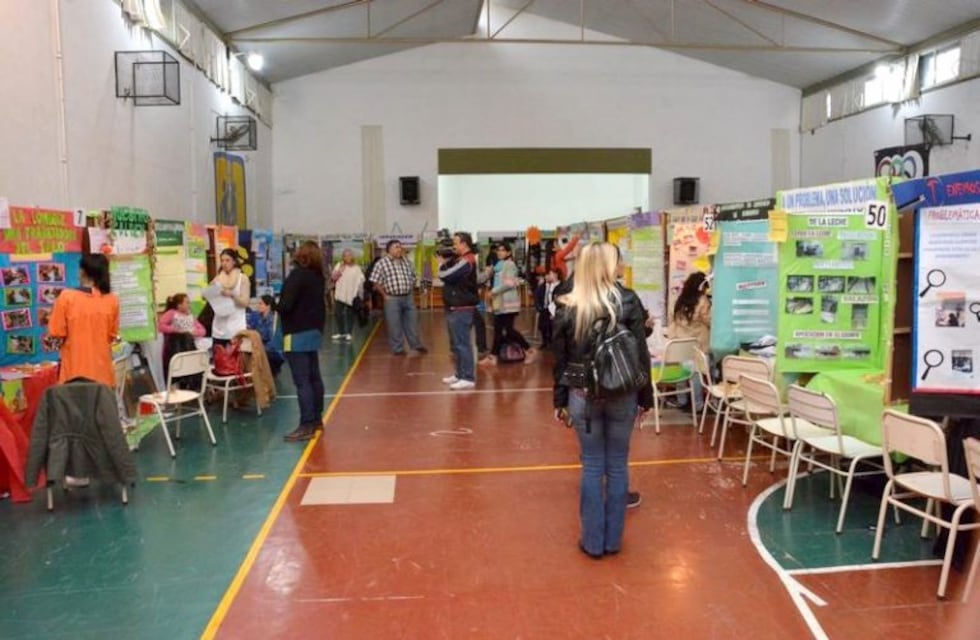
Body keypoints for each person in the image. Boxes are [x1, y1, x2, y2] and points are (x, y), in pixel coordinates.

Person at [551, 242, 653, 558]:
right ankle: (613, 541)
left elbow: (560, 358)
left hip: (582, 393)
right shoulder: (628, 300)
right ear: (611, 266)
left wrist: (559, 400)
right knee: (618, 464)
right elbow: (640, 354)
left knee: (592, 465)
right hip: (622, 392)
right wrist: (646, 397)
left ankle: (593, 542)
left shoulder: (568, 303)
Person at [279, 241, 327, 442]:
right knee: (314, 377)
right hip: (314, 331)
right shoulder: (318, 277)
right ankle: (316, 419)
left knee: (302, 381)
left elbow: (286, 305)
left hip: (296, 333)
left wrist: (273, 304)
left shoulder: (297, 275)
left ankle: (306, 424)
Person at [47, 254, 120, 388]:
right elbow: (112, 335)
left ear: (82, 271)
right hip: (103, 374)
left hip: (74, 374)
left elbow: (56, 332)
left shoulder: (67, 297)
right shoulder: (112, 300)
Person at [369, 240, 427, 355]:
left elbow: (414, 277)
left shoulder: (407, 262)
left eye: (400, 247)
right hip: (392, 298)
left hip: (408, 297)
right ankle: (398, 348)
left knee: (413, 322)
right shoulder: (382, 263)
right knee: (394, 324)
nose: (399, 249)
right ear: (389, 250)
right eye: (396, 247)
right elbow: (375, 282)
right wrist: (385, 296)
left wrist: (411, 289)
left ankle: (416, 345)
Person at [438, 232, 479, 391]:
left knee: (463, 344)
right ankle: (459, 373)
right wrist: (448, 261)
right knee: (456, 344)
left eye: (455, 242)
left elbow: (445, 275)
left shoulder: (467, 260)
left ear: (464, 243)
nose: (453, 246)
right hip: (454, 307)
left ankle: (468, 377)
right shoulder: (460, 260)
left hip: (462, 308)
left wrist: (442, 264)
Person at [667, 271, 712, 410]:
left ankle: (682, 400)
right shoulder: (703, 301)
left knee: (682, 372)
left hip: (680, 342)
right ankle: (698, 405)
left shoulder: (679, 300)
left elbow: (671, 319)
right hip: (697, 343)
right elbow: (709, 320)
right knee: (696, 373)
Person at [488, 242, 535, 363]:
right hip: (500, 303)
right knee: (499, 330)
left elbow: (509, 284)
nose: (500, 252)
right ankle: (493, 357)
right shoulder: (499, 265)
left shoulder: (510, 265)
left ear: (509, 252)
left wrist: (493, 291)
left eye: (503, 250)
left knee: (508, 330)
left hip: (508, 304)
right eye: (498, 250)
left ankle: (529, 349)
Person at [159, 293, 207, 380]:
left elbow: (203, 331)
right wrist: (175, 329)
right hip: (176, 345)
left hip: (190, 343)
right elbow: (161, 326)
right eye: (187, 303)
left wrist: (194, 332)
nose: (189, 305)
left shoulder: (190, 316)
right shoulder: (172, 313)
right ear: (179, 305)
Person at [210, 248, 250, 346]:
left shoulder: (242, 278)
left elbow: (245, 302)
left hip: (236, 328)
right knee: (219, 359)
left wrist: (232, 295)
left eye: (227, 260)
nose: (224, 263)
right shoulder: (218, 278)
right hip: (218, 328)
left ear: (234, 261)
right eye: (222, 260)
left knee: (236, 360)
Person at [330, 248, 365, 342]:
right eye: (345, 255)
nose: (347, 257)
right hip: (340, 294)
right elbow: (333, 278)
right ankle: (341, 332)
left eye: (349, 255)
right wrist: (340, 269)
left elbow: (361, 281)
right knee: (337, 313)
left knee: (350, 314)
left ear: (352, 257)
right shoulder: (339, 265)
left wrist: (359, 294)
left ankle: (349, 333)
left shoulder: (357, 268)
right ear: (343, 257)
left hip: (352, 294)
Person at [247, 294, 284, 376]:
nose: (258, 306)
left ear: (268, 306)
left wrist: (260, 348)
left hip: (273, 350)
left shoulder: (274, 320)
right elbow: (250, 326)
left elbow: (273, 341)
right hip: (262, 346)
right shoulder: (257, 316)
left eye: (261, 304)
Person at [535, 267, 561, 348]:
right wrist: (539, 306)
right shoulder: (543, 286)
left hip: (555, 309)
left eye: (549, 274)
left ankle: (552, 341)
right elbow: (537, 296)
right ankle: (545, 341)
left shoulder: (560, 286)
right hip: (545, 308)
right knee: (543, 323)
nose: (547, 277)